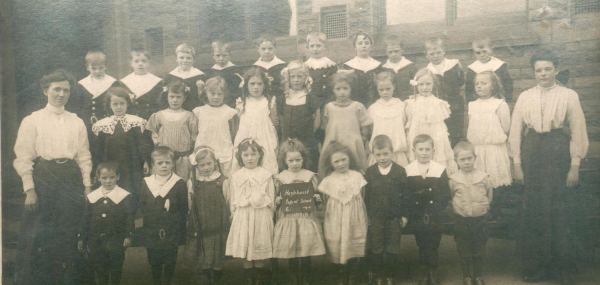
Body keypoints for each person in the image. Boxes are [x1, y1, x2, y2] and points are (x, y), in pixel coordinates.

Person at [509, 49, 588, 285]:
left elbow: (578, 130)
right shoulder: (525, 97)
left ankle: (560, 268)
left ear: (555, 69)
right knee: (535, 210)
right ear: (534, 72)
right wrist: (517, 164)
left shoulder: (569, 95)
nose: (542, 74)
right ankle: (535, 266)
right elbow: (515, 132)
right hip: (532, 152)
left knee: (558, 208)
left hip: (557, 152)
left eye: (547, 69)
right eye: (538, 70)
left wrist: (574, 165)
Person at [13, 69, 93, 284]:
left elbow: (84, 156)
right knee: (43, 235)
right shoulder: (33, 120)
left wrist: (87, 186)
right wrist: (30, 190)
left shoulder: (76, 121)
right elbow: (23, 157)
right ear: (45, 90)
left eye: (66, 90)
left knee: (70, 232)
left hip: (71, 180)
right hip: (44, 180)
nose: (61, 94)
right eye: (56, 89)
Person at [273, 139, 326, 284]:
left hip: (305, 218)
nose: (295, 163)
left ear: (303, 159)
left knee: (305, 251)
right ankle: (294, 279)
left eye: (298, 159)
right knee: (291, 251)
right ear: (285, 161)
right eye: (291, 160)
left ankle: (306, 279)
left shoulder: (309, 176)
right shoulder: (281, 178)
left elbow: (317, 202)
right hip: (288, 218)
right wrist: (277, 202)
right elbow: (277, 199)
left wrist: (316, 199)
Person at [226, 139, 276, 285]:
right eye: (246, 155)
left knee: (259, 247)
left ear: (259, 155)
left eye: (253, 154)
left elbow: (271, 196)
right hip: (243, 215)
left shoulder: (266, 175)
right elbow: (233, 198)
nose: (250, 158)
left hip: (261, 214)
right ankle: (249, 278)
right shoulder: (237, 176)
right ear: (240, 157)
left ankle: (259, 278)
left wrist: (270, 214)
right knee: (247, 247)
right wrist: (233, 213)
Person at [318, 141, 368, 284]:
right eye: (336, 161)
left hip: (354, 215)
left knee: (352, 239)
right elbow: (326, 199)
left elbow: (362, 194)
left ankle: (352, 273)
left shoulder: (357, 176)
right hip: (336, 216)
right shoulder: (329, 180)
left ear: (349, 159)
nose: (341, 164)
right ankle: (340, 273)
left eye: (343, 159)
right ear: (331, 163)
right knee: (337, 240)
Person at [91, 87, 152, 206]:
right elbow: (97, 149)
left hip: (132, 165)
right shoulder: (102, 125)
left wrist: (145, 161)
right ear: (109, 105)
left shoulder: (137, 122)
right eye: (115, 104)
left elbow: (143, 144)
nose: (119, 107)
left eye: (122, 103)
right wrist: (97, 167)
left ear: (127, 104)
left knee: (132, 190)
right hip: (110, 163)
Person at [405, 134, 451, 285]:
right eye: (420, 149)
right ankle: (424, 270)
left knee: (433, 242)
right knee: (422, 242)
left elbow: (445, 194)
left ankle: (432, 270)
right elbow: (407, 194)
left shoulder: (439, 170)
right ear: (414, 151)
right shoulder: (409, 170)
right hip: (418, 214)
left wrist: (437, 208)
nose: (424, 152)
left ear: (433, 151)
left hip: (434, 213)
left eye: (427, 149)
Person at [78, 162, 134, 285]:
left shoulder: (124, 196)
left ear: (118, 177)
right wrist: (82, 237)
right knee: (100, 269)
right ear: (98, 178)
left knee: (115, 268)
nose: (108, 181)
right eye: (104, 178)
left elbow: (129, 218)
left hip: (116, 239)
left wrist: (128, 235)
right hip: (96, 240)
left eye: (112, 177)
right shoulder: (93, 196)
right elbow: (86, 218)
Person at [364, 135, 409, 285]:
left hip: (394, 217)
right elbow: (366, 197)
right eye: (378, 154)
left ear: (392, 153)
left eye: (386, 154)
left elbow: (405, 195)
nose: (382, 158)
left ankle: (390, 276)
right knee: (376, 247)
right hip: (376, 217)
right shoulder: (370, 173)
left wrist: (404, 215)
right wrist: (368, 216)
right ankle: (378, 276)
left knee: (392, 247)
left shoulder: (400, 171)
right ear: (373, 155)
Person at [139, 146, 188, 285]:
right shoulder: (146, 183)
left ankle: (167, 281)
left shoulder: (179, 183)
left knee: (170, 258)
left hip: (172, 226)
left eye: (167, 162)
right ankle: (156, 281)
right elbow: (142, 204)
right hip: (152, 226)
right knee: (154, 257)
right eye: (160, 163)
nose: (164, 166)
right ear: (153, 165)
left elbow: (183, 207)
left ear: (173, 164)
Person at [466, 71, 512, 218]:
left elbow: (505, 127)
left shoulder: (499, 104)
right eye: (477, 84)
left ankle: (495, 211)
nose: (479, 86)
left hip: (494, 148)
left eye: (483, 83)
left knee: (494, 179)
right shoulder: (472, 105)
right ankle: (482, 211)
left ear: (493, 86)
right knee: (480, 180)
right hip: (478, 149)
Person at [449, 142, 493, 285]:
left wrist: (482, 208)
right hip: (462, 220)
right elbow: (451, 197)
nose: (467, 162)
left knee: (480, 248)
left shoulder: (483, 177)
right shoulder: (454, 179)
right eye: (462, 160)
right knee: (464, 249)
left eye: (469, 158)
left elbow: (488, 194)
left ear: (475, 158)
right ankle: (467, 276)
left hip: (479, 219)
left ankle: (478, 276)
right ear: (456, 161)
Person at [186, 146, 230, 285]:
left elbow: (228, 201)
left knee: (217, 254)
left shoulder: (222, 181)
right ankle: (206, 277)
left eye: (209, 164)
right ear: (197, 166)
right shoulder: (194, 182)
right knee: (205, 254)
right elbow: (190, 203)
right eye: (202, 165)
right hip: (202, 223)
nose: (206, 168)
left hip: (218, 222)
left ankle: (217, 278)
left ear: (215, 163)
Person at [318, 72, 373, 179]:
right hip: (333, 142)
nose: (342, 92)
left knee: (355, 168)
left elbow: (365, 125)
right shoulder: (329, 107)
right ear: (333, 90)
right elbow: (324, 126)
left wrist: (362, 138)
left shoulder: (357, 106)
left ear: (350, 89)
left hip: (352, 143)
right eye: (338, 89)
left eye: (345, 88)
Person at [405, 68, 457, 173]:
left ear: (433, 84)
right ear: (416, 85)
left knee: (437, 161)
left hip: (436, 137)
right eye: (421, 84)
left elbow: (441, 128)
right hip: (417, 135)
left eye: (428, 84)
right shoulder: (410, 103)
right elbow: (408, 124)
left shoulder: (439, 103)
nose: (425, 87)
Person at [147, 79, 199, 181]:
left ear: (184, 98)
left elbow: (194, 137)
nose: (175, 100)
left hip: (183, 160)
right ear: (166, 97)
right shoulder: (158, 116)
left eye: (178, 97)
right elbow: (153, 135)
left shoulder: (189, 116)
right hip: (164, 160)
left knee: (183, 183)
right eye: (172, 97)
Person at [232, 67, 279, 175]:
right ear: (246, 85)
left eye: (259, 84)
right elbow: (237, 122)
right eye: (252, 84)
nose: (256, 87)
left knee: (266, 162)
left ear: (265, 85)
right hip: (246, 135)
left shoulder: (269, 100)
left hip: (265, 137)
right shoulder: (242, 101)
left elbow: (275, 122)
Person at [67, 51, 120, 145]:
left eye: (101, 68)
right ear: (88, 68)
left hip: (107, 122)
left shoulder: (113, 83)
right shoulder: (82, 84)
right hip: (87, 124)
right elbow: (78, 105)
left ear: (105, 67)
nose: (97, 71)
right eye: (93, 68)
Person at [193, 76, 239, 177]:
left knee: (225, 180)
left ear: (225, 94)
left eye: (220, 94)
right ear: (206, 94)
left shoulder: (230, 112)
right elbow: (194, 133)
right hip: (204, 152)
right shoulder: (199, 111)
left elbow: (234, 134)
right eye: (212, 94)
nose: (216, 97)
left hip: (224, 151)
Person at [279, 60, 320, 171]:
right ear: (288, 78)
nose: (296, 80)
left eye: (299, 76)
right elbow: (280, 120)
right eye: (293, 77)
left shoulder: (310, 98)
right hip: (288, 142)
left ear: (305, 77)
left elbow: (317, 121)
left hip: (307, 143)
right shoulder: (283, 98)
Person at [424, 37, 465, 147]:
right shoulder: (427, 71)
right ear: (426, 54)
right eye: (432, 54)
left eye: (438, 52)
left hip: (455, 105)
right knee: (442, 133)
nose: (435, 56)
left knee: (456, 133)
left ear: (444, 51)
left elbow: (461, 81)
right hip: (438, 107)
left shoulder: (454, 65)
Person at [368, 71, 409, 167]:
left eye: (388, 89)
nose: (385, 92)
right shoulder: (373, 108)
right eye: (381, 90)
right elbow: (370, 130)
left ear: (394, 86)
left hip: (397, 152)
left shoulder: (402, 106)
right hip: (379, 153)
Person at [465, 38, 514, 103]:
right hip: (479, 103)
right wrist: (470, 104)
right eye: (478, 53)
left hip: (498, 100)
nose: (482, 55)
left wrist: (508, 102)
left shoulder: (499, 65)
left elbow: (508, 86)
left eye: (485, 51)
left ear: (491, 50)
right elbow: (469, 90)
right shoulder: (472, 68)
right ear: (474, 53)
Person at [120, 49, 163, 120]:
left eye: (144, 61)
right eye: (136, 61)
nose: (140, 64)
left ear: (149, 63)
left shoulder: (157, 82)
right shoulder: (125, 82)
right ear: (131, 64)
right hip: (131, 120)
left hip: (151, 119)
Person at [342, 32, 382, 107]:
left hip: (374, 105)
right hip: (353, 105)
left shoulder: (377, 65)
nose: (364, 46)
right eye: (360, 43)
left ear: (371, 46)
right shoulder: (348, 66)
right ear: (355, 47)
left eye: (367, 43)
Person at [304, 31, 338, 120]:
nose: (315, 49)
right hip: (309, 103)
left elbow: (334, 86)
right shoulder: (305, 66)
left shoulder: (330, 65)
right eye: (312, 46)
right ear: (308, 47)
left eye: (318, 45)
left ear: (325, 46)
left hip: (326, 102)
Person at [163, 43, 206, 111]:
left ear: (193, 59)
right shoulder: (170, 77)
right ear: (176, 58)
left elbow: (203, 98)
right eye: (181, 57)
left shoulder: (200, 76)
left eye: (188, 58)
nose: (185, 60)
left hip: (194, 111)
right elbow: (165, 98)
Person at [252, 35, 287, 114]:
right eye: (263, 49)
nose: (267, 52)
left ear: (275, 49)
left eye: (270, 48)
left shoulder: (282, 66)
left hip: (279, 100)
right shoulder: (255, 67)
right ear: (258, 49)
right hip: (261, 101)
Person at [205, 40, 244, 108]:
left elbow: (240, 89)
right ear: (213, 55)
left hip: (232, 104)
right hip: (215, 104)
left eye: (224, 55)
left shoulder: (236, 70)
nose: (221, 58)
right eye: (218, 55)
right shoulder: (210, 72)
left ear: (230, 55)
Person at [380, 35, 418, 101]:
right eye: (390, 52)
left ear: (402, 50)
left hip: (407, 102)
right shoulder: (383, 69)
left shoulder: (410, 67)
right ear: (386, 52)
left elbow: (417, 87)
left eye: (396, 51)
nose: (393, 54)